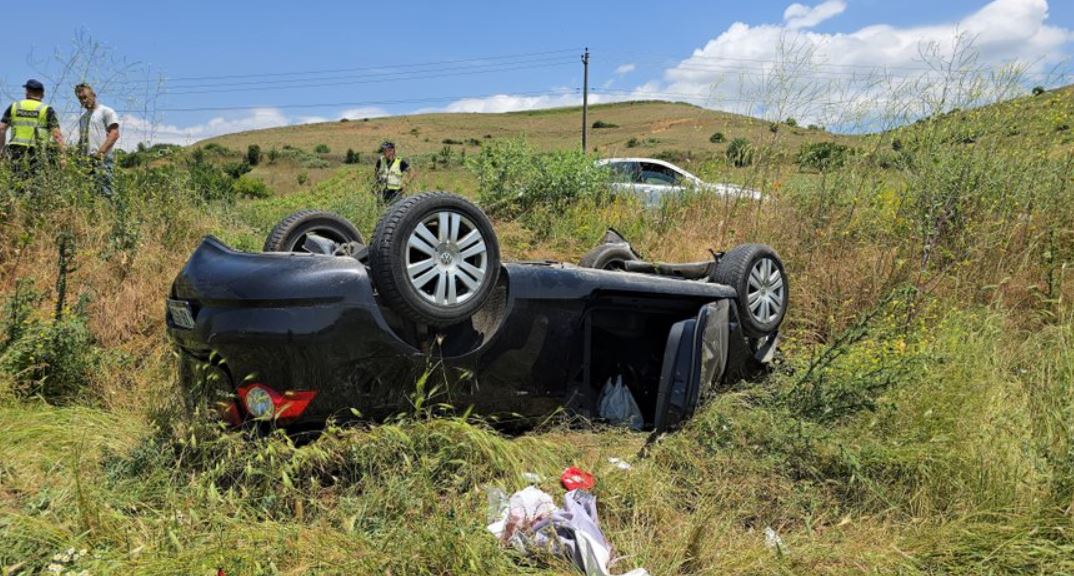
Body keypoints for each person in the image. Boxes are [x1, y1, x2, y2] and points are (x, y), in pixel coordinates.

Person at [0, 79, 64, 177]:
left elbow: (1, 129)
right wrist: (62, 156)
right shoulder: (46, 109)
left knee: (16, 181)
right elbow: (57, 135)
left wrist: (1, 150)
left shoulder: (14, 106)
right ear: (42, 94)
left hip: (16, 152)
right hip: (38, 152)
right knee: (36, 181)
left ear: (27, 92)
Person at [75, 83, 120, 197]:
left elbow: (114, 134)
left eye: (85, 97)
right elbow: (83, 139)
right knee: (89, 194)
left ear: (93, 95)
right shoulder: (83, 118)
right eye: (80, 99)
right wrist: (77, 156)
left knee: (107, 192)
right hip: (87, 160)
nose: (83, 101)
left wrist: (100, 154)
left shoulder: (106, 111)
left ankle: (111, 208)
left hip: (103, 158)